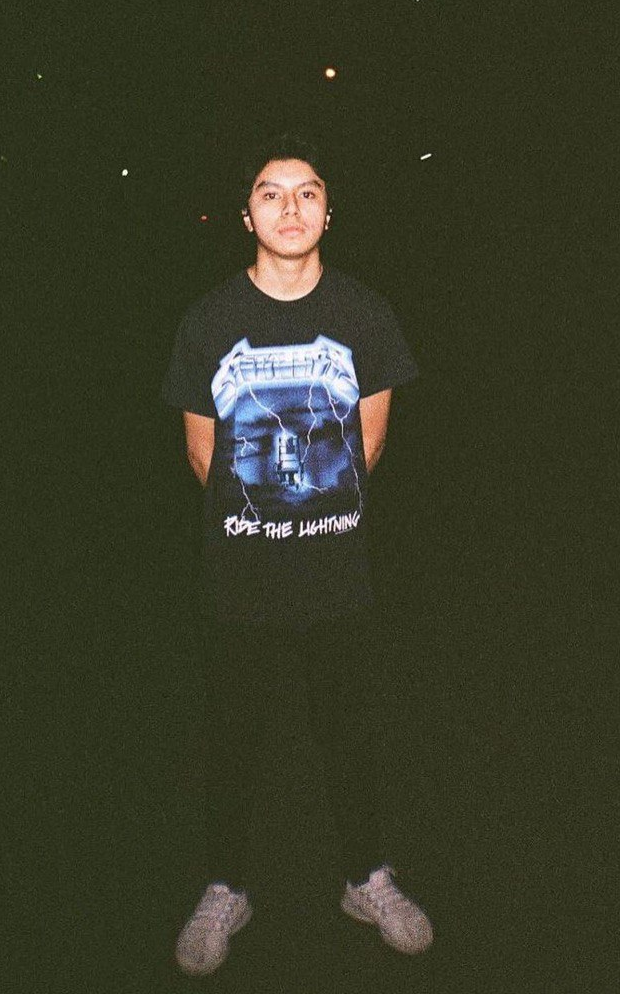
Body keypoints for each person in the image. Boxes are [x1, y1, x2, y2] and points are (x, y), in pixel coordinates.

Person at [161, 131, 434, 975]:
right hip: (238, 574)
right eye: (271, 193)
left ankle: (366, 878)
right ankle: (225, 887)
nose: (290, 207)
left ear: (328, 210)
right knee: (232, 737)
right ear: (247, 214)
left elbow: (370, 444)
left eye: (307, 192)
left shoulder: (364, 314)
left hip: (337, 571)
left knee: (350, 731)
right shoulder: (210, 320)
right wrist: (264, 522)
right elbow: (203, 453)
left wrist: (311, 516)